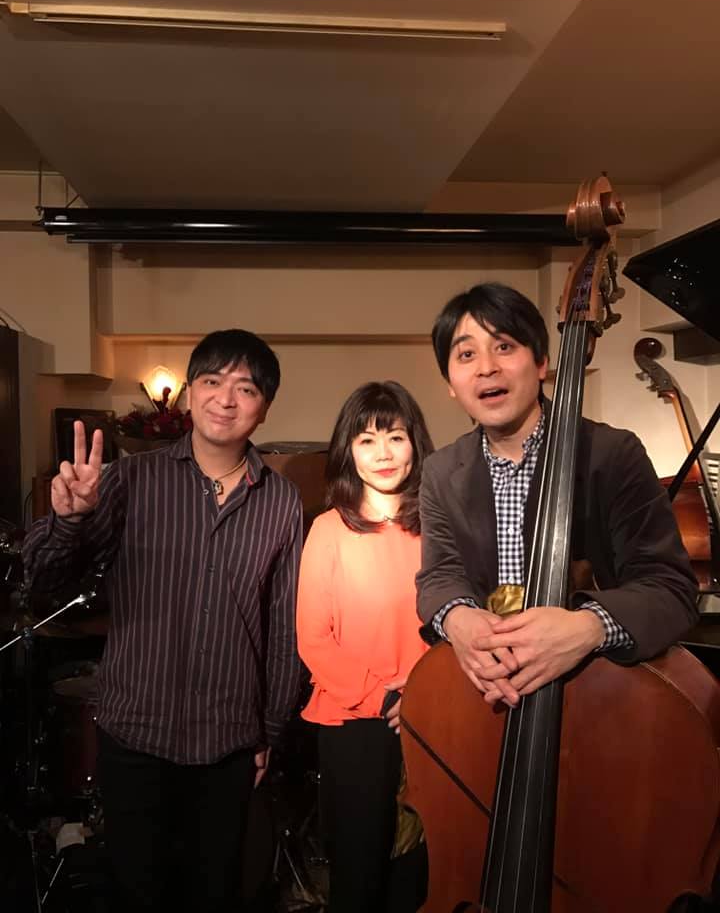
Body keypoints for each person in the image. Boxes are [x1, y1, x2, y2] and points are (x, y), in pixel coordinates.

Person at [23, 329, 304, 913]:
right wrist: (69, 521)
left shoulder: (281, 501)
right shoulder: (131, 479)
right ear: (190, 393)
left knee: (215, 893)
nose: (225, 398)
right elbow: (47, 586)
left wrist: (271, 731)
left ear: (265, 407)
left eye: (245, 388)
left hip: (229, 740)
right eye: (212, 381)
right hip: (136, 733)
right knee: (139, 893)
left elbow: (282, 626)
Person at [416, 282, 698, 706]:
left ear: (542, 362)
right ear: (451, 383)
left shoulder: (612, 454)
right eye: (466, 354)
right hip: (489, 694)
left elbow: (670, 587)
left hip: (597, 691)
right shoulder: (440, 471)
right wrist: (456, 617)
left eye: (504, 347)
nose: (487, 368)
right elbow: (438, 576)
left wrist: (589, 626)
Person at [297, 381, 433, 913]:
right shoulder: (327, 530)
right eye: (367, 440)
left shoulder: (439, 527)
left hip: (433, 715)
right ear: (348, 451)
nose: (383, 454)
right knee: (359, 872)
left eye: (395, 437)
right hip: (355, 720)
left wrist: (422, 692)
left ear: (415, 444)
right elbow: (313, 639)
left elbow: (456, 621)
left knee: (419, 871)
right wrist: (385, 698)